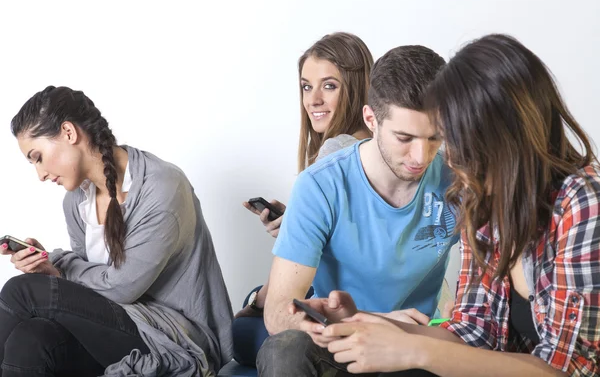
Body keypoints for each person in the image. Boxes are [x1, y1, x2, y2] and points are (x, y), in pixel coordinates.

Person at [304, 34, 600, 377]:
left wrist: (415, 349)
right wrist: (367, 323)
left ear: (507, 135)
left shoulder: (582, 201)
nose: (450, 157)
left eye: (454, 139)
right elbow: (474, 333)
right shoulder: (485, 200)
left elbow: (572, 369)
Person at [0, 86, 233, 377]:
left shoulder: (162, 187)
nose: (41, 174)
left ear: (69, 133)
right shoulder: (76, 200)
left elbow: (123, 286)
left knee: (21, 291)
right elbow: (90, 290)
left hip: (173, 338)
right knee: (32, 338)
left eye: (38, 157)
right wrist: (51, 269)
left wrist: (60, 267)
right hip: (119, 328)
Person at [256, 44, 460, 377]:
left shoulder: (458, 181)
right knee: (285, 350)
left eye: (435, 137)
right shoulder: (319, 185)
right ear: (371, 119)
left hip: (416, 344)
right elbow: (279, 312)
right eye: (404, 137)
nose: (421, 156)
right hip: (341, 338)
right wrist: (370, 322)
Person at [233, 32, 374, 366]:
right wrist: (295, 222)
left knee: (240, 332)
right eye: (306, 86)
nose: (313, 99)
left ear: (354, 88)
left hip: (338, 308)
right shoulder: (377, 146)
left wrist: (255, 303)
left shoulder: (335, 151)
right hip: (350, 297)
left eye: (329, 86)